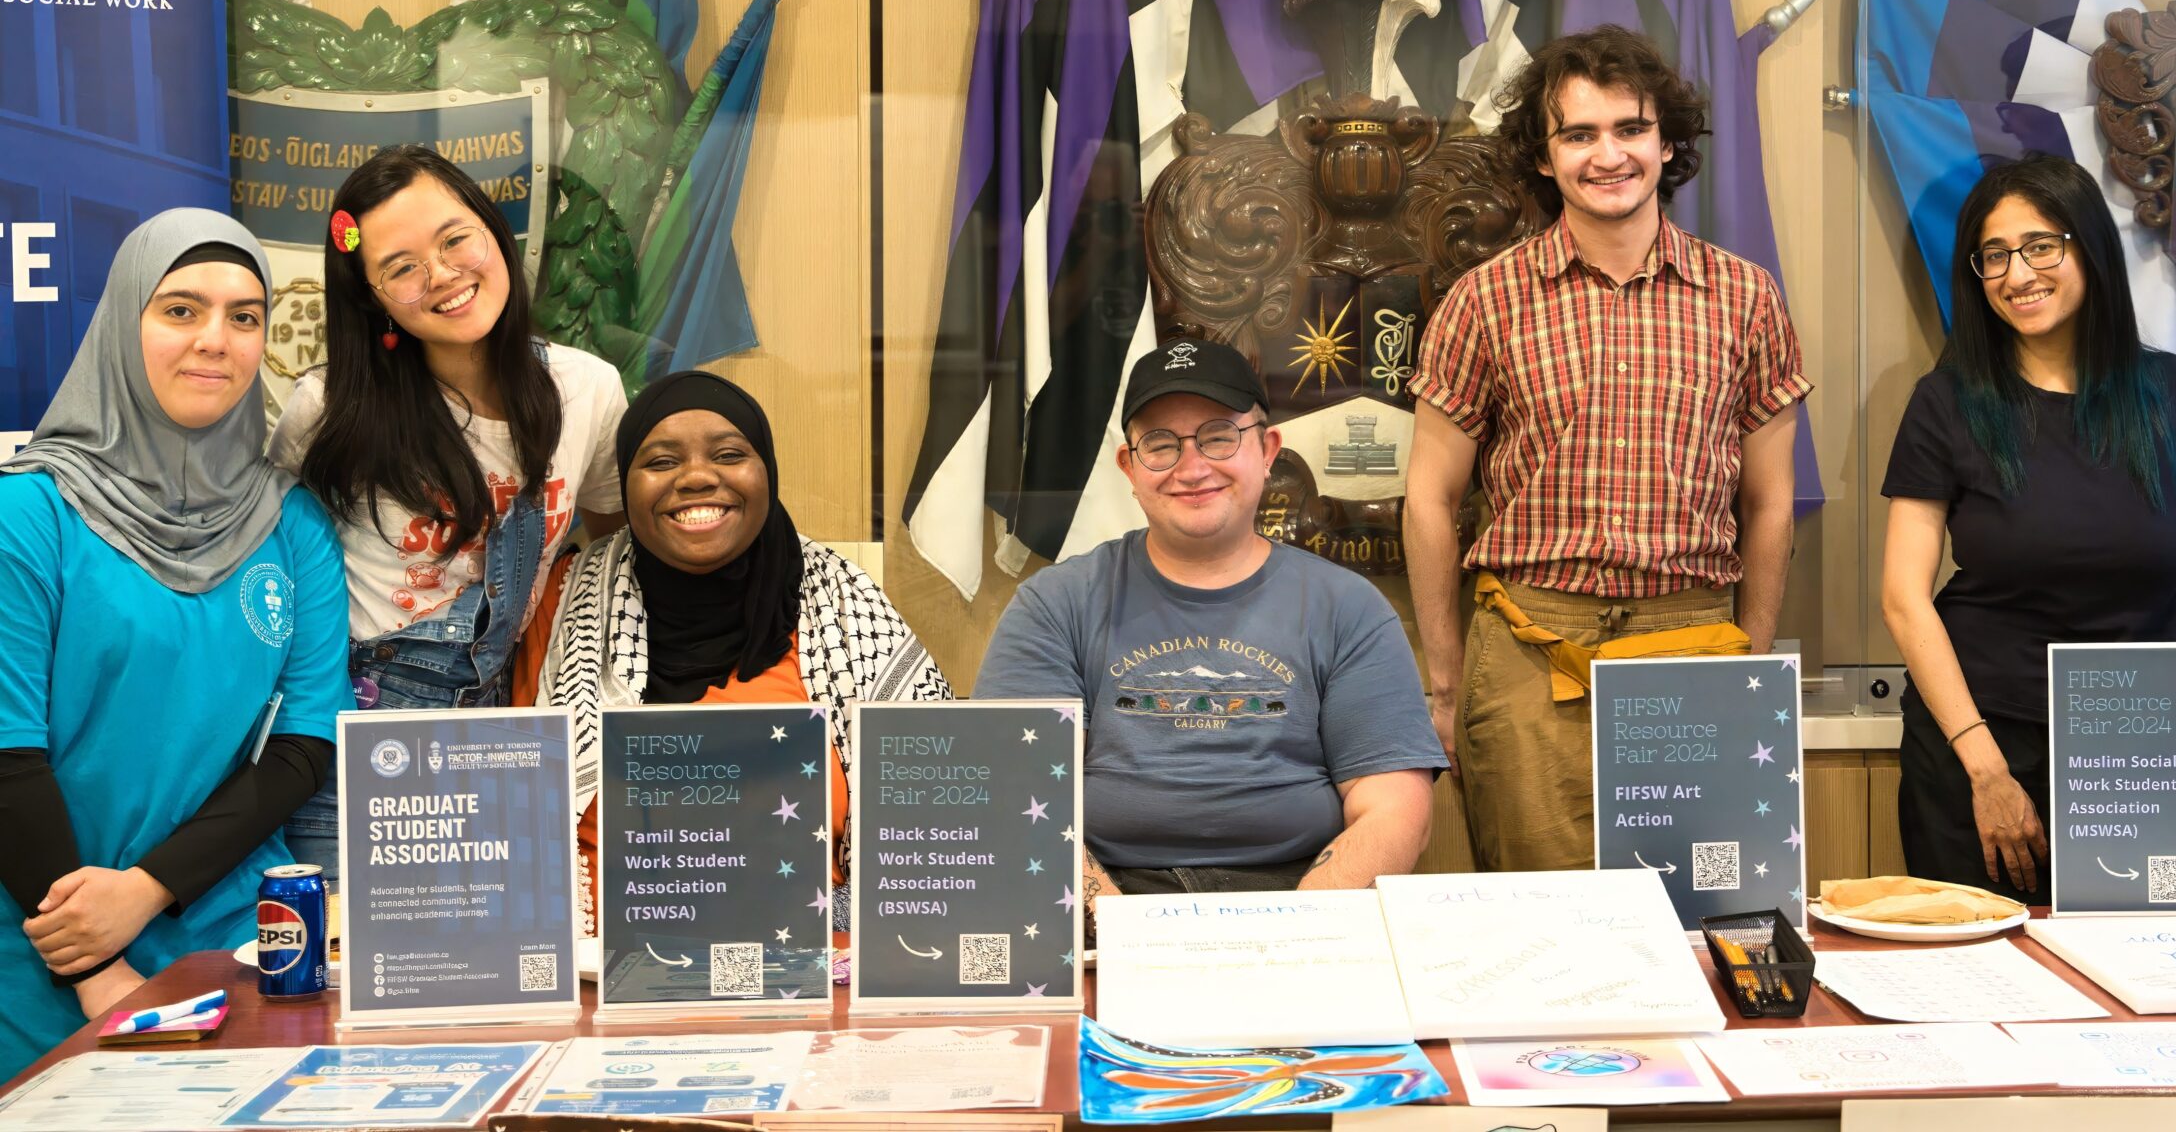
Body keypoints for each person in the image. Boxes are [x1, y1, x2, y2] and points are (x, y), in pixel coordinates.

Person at [1404, 24, 1808, 873]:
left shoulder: (1745, 298)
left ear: (1667, 143)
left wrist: (1753, 661)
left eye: (1629, 128)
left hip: (1692, 635)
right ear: (1545, 158)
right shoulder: (1485, 300)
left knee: (1700, 918)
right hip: (1526, 639)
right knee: (1539, 935)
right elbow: (1431, 501)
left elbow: (1769, 502)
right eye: (1578, 134)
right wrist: (1443, 684)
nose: (1608, 154)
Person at [0, 211, 351, 1078]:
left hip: (231, 939)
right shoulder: (29, 515)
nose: (216, 342)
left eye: (244, 317)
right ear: (125, 321)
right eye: (181, 309)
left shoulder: (291, 523)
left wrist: (145, 893)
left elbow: (304, 748)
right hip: (42, 950)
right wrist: (90, 961)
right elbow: (5, 755)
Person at [975, 337, 1443, 908]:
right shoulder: (1053, 605)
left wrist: (1297, 928)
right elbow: (1016, 790)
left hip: (1305, 893)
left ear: (1268, 449)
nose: (1192, 468)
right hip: (1104, 898)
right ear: (1129, 465)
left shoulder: (1350, 608)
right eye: (1160, 444)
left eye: (1219, 436)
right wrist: (1120, 926)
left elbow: (1396, 810)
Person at [1879, 156, 2176, 902]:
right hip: (1980, 742)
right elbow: (1905, 599)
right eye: (1995, 255)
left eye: (2042, 245)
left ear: (2089, 248)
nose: (2018, 273)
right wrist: (1984, 767)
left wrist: (2160, 684)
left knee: (2138, 977)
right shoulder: (1947, 402)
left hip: (2137, 754)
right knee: (1977, 979)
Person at [269, 145, 627, 875]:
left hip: (504, 736)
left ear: (493, 231)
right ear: (371, 298)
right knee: (346, 979)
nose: (442, 275)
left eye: (454, 238)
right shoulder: (328, 408)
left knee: (490, 971)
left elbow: (616, 557)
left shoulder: (586, 391)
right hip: (356, 738)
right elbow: (269, 570)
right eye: (400, 267)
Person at [526, 371, 948, 926]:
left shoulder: (847, 614)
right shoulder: (560, 605)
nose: (697, 477)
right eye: (659, 462)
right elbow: (519, 812)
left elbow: (938, 823)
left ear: (767, 473)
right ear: (623, 488)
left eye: (728, 454)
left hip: (807, 968)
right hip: (602, 974)